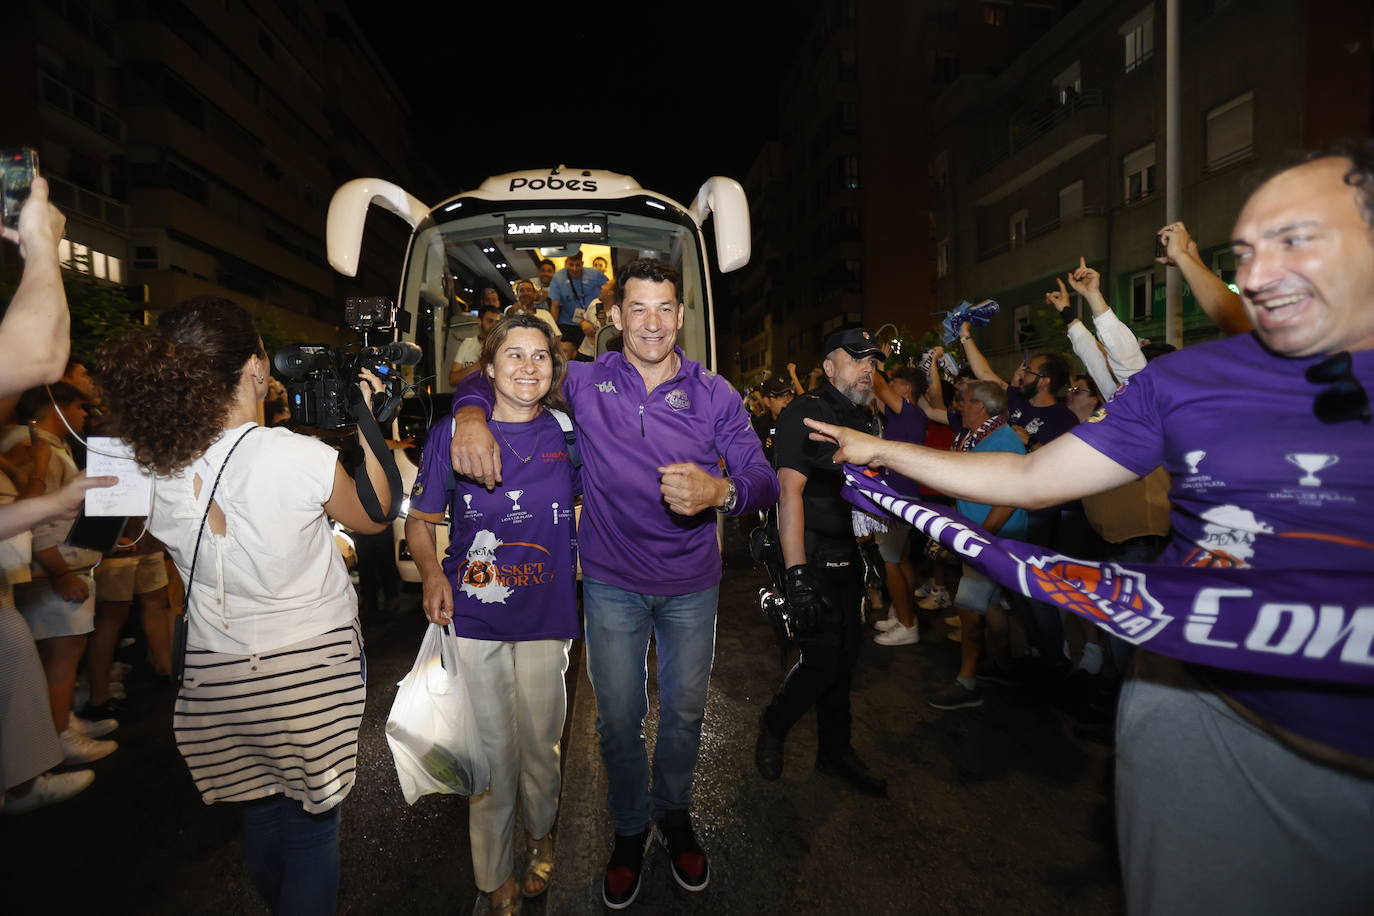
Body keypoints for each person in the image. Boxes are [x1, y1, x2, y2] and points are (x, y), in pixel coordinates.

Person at [801, 144, 1374, 915]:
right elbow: (1034, 478)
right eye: (1245, 253)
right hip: (1203, 725)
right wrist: (880, 450)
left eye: (1295, 239)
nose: (1261, 272)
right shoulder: (1182, 384)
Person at [452, 258, 777, 909]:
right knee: (618, 722)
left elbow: (762, 478)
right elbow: (504, 372)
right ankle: (629, 831)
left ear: (680, 317)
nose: (652, 323)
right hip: (611, 585)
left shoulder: (714, 392)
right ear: (616, 317)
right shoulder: (588, 381)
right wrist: (468, 417)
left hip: (691, 587)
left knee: (683, 716)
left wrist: (723, 490)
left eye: (664, 309)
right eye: (638, 309)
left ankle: (675, 815)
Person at [95, 296, 392, 915]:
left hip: (218, 674)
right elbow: (375, 514)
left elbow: (108, 539)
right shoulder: (298, 456)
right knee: (313, 827)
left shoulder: (147, 461)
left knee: (260, 813)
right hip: (312, 669)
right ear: (256, 369)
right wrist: (366, 419)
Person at [407, 313, 579, 916]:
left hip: (548, 618)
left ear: (554, 368)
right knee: (489, 753)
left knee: (541, 747)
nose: (528, 366)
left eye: (540, 356)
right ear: (489, 367)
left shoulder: (568, 433)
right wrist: (431, 575)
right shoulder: (454, 435)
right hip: (475, 621)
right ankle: (492, 871)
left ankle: (540, 837)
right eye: (514, 355)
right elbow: (420, 522)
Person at [754, 327, 889, 795]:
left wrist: (868, 552)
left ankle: (835, 753)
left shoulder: (865, 419)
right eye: (856, 359)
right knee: (824, 659)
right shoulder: (804, 412)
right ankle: (775, 723)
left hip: (846, 552)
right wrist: (796, 577)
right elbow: (788, 495)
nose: (867, 367)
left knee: (847, 656)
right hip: (807, 552)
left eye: (872, 360)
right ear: (829, 367)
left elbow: (864, 497)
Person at [545, 248, 608, 334]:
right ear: (566, 263)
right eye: (571, 265)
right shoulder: (558, 278)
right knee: (566, 347)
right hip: (569, 322)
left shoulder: (595, 274)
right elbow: (554, 306)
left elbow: (609, 290)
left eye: (577, 265)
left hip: (594, 321)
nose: (574, 269)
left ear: (582, 264)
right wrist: (553, 330)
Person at [449, 304, 502, 386]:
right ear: (479, 321)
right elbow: (452, 380)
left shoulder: (502, 346)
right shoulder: (467, 343)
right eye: (490, 321)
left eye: (497, 322)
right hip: (469, 394)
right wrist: (478, 366)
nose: (494, 326)